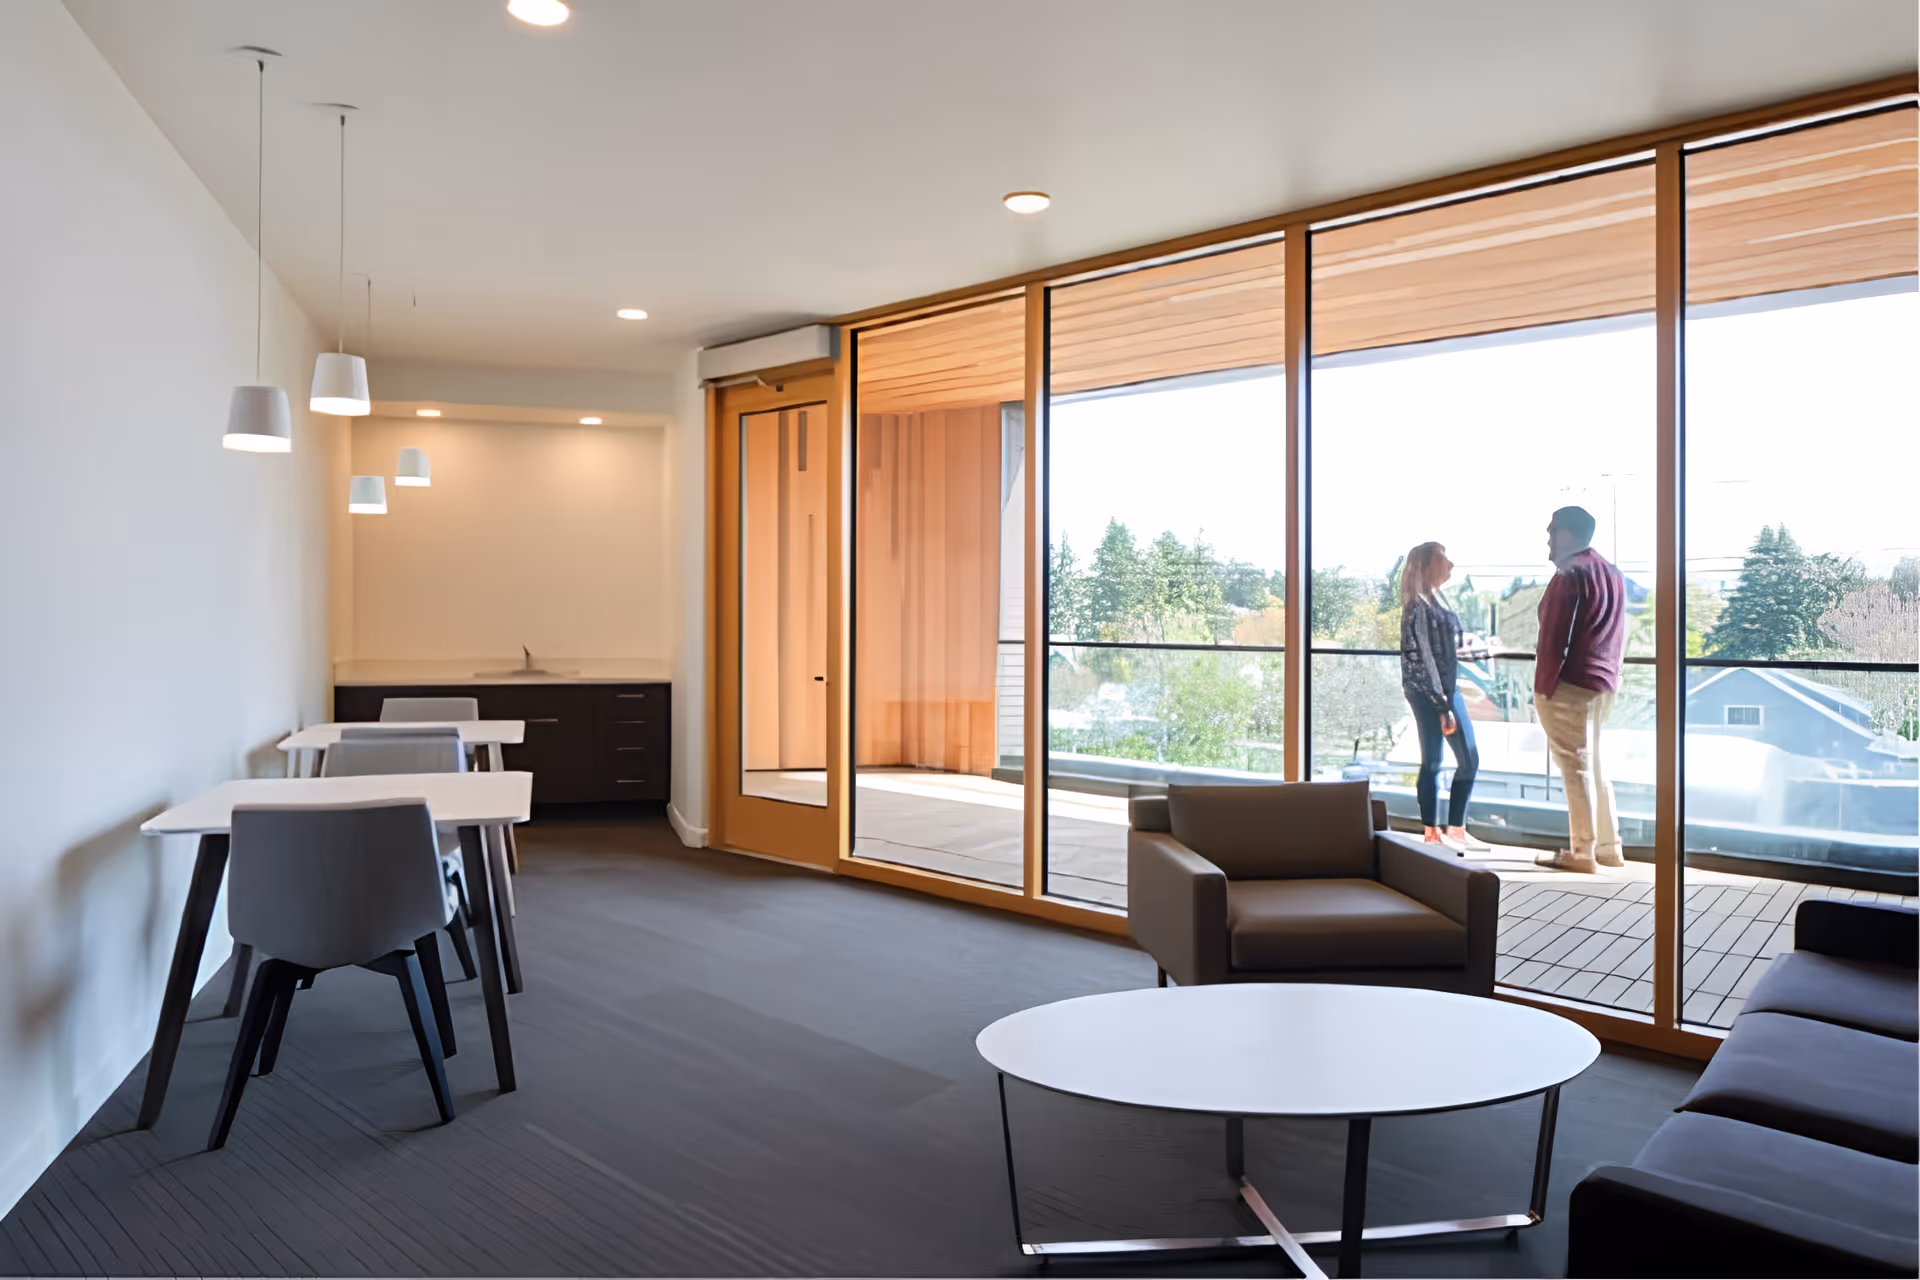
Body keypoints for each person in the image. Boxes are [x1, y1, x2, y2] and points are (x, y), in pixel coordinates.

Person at [1534, 505, 1628, 873]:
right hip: (1604, 683)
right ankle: (1609, 847)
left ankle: (1582, 852)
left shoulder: (1569, 573)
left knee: (1575, 767)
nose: (1547, 536)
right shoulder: (1612, 573)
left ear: (1567, 535)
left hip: (1571, 684)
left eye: (1551, 530)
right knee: (1595, 765)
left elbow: (1556, 638)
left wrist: (1544, 689)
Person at [1399, 542, 1489, 854]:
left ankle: (1456, 829)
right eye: (1441, 558)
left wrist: (1481, 647)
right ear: (1423, 566)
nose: (1449, 563)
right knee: (1434, 761)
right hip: (1429, 693)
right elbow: (1424, 659)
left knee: (1469, 760)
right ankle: (1431, 832)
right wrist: (1442, 705)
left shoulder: (1436, 600)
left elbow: (1450, 646)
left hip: (1446, 691)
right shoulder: (1418, 607)